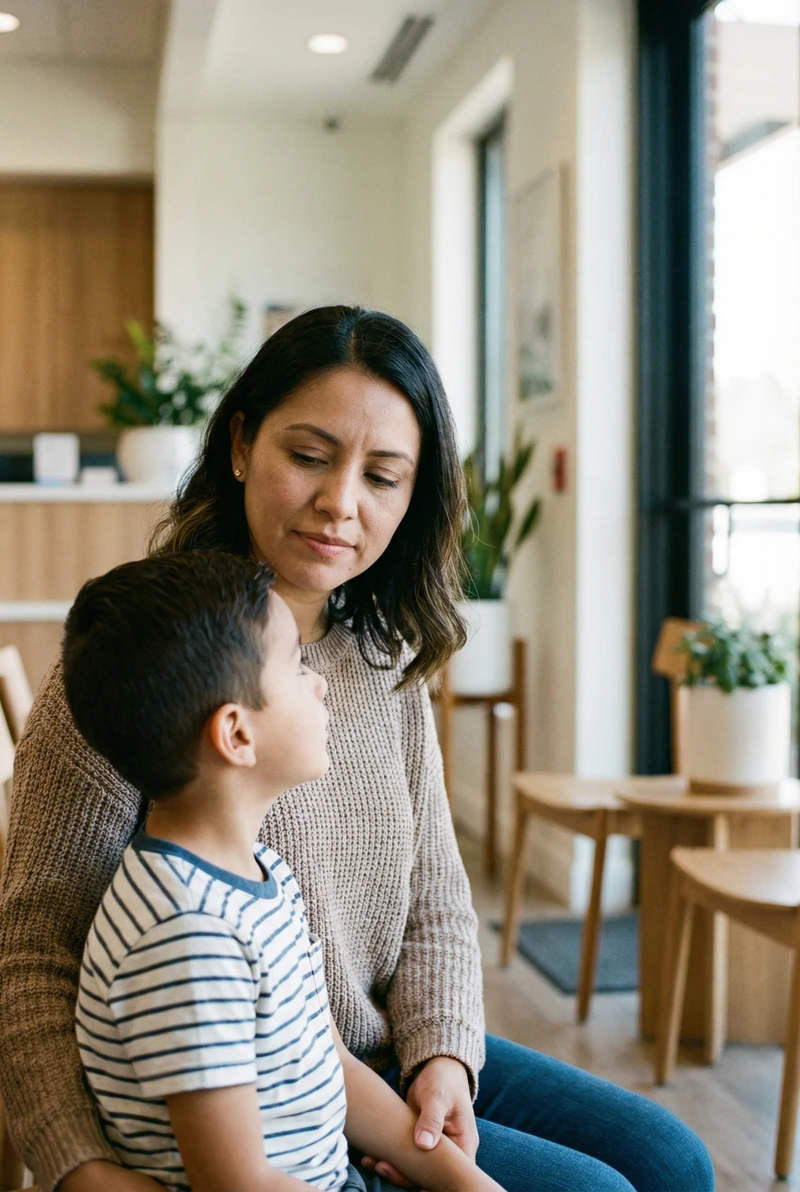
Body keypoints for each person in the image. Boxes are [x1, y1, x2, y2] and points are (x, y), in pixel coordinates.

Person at [0, 305, 714, 1192]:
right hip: (239, 1100)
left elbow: (438, 904)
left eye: (384, 475)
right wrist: (80, 1169)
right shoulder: (145, 670)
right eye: (307, 456)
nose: (341, 501)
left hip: (366, 1063)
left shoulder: (382, 658)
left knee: (673, 1159)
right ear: (240, 445)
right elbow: (32, 959)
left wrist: (443, 1060)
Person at [64, 550, 504, 1192]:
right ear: (237, 736)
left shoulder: (260, 873)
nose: (320, 681)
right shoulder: (187, 939)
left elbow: (330, 1059)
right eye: (297, 666)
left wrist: (457, 1178)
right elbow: (236, 1183)